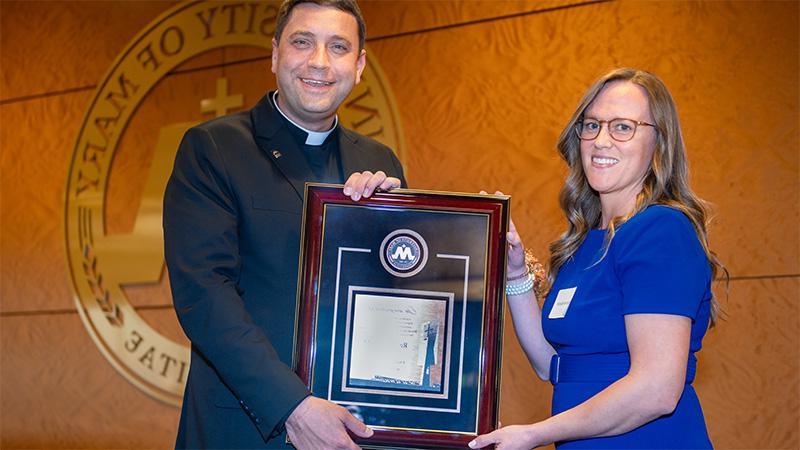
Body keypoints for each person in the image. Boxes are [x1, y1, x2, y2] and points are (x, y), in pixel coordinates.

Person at [162, 1, 405, 448]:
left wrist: (394, 229)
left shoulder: (379, 164)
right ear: (275, 54)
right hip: (248, 427)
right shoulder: (213, 148)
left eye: (338, 47)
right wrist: (291, 406)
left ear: (359, 64)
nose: (319, 62)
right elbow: (205, 295)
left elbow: (396, 302)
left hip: (355, 430)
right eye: (301, 42)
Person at [470, 68, 725, 449]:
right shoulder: (585, 242)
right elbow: (552, 365)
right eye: (591, 125)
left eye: (622, 127)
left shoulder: (660, 231)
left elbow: (656, 389)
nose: (600, 141)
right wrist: (515, 272)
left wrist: (536, 433)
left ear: (660, 142)